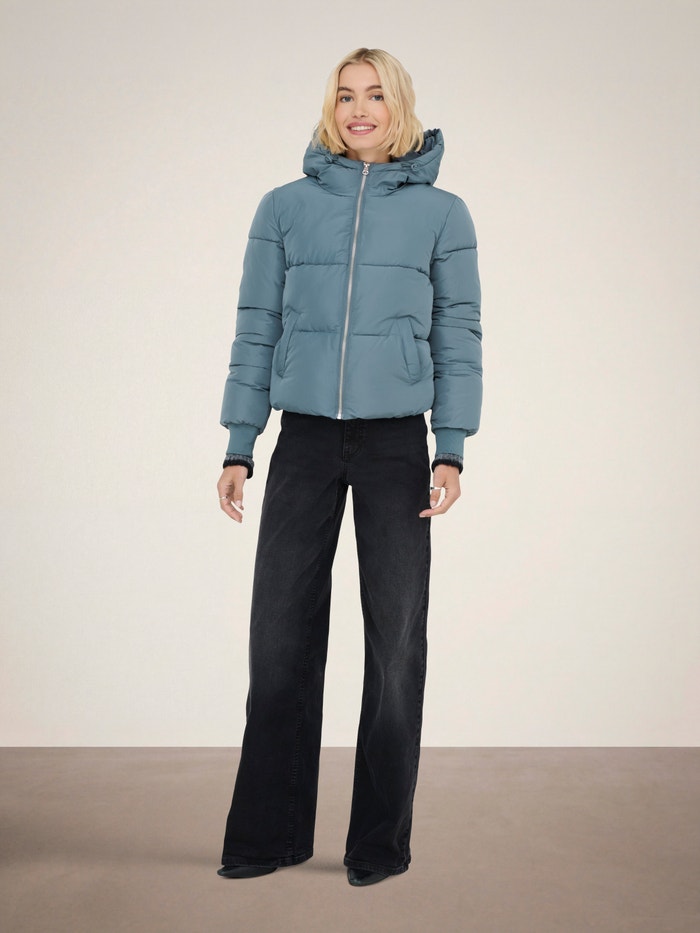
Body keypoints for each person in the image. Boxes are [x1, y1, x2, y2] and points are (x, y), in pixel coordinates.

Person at [215, 47, 482, 887]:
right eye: (344, 96)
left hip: (398, 444)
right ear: (330, 109)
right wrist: (239, 440)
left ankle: (378, 843)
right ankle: (269, 835)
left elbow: (458, 332)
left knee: (395, 645)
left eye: (374, 95)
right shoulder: (284, 207)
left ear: (399, 106)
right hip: (302, 441)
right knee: (279, 639)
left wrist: (451, 445)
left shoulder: (442, 214)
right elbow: (256, 324)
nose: (359, 109)